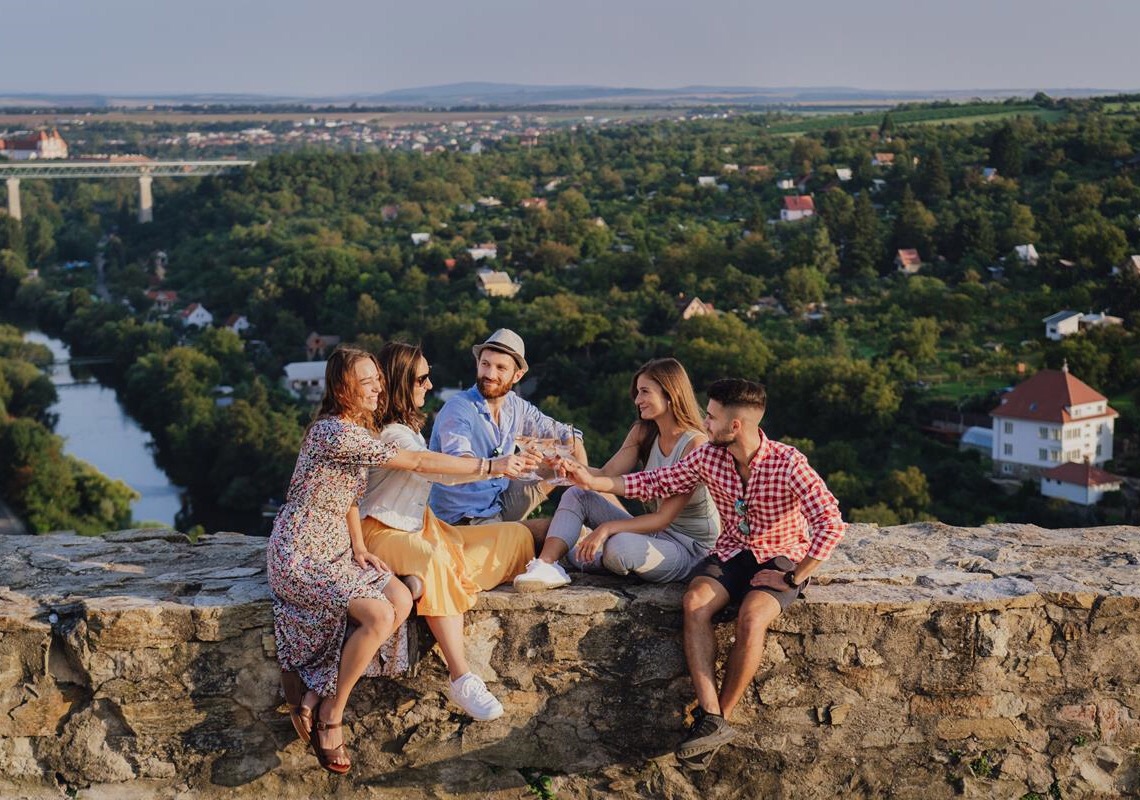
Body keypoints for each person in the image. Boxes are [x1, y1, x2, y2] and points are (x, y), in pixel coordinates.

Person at [267, 345, 534, 774]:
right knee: (377, 615)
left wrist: (358, 548)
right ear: (342, 387)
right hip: (301, 551)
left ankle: (313, 690)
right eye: (366, 382)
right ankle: (332, 713)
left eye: (378, 379)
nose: (377, 388)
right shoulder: (336, 433)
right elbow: (418, 460)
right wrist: (493, 466)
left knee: (403, 598)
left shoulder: (360, 428)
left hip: (337, 548)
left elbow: (352, 499)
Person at [561, 378, 846, 770]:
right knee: (694, 601)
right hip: (731, 551)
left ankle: (716, 723)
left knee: (752, 617)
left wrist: (795, 576)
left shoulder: (788, 463)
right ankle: (711, 717)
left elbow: (831, 522)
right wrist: (591, 481)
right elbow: (657, 481)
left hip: (781, 557)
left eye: (711, 418)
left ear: (736, 426)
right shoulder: (709, 456)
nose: (704, 424)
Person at [359, 342, 536, 722]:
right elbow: (432, 468)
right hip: (383, 530)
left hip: (421, 526)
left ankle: (424, 582)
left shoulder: (407, 426)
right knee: (436, 560)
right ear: (403, 382)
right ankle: (462, 676)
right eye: (422, 378)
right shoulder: (391, 434)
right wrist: (493, 466)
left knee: (515, 537)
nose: (428, 384)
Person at [513, 357, 720, 592]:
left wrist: (605, 529)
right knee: (578, 493)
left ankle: (589, 555)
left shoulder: (695, 445)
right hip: (653, 533)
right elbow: (605, 475)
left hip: (690, 549)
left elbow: (664, 518)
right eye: (637, 392)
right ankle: (547, 565)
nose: (637, 399)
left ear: (670, 394)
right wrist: (566, 466)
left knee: (619, 548)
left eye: (644, 392)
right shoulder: (644, 432)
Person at [428, 328, 588, 535]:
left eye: (500, 368)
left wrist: (584, 480)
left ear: (517, 375)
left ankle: (592, 503)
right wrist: (499, 466)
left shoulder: (515, 406)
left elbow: (569, 437)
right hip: (463, 518)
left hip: (498, 499)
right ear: (477, 364)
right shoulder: (459, 408)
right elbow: (459, 463)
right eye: (485, 364)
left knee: (563, 462)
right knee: (557, 532)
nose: (489, 374)